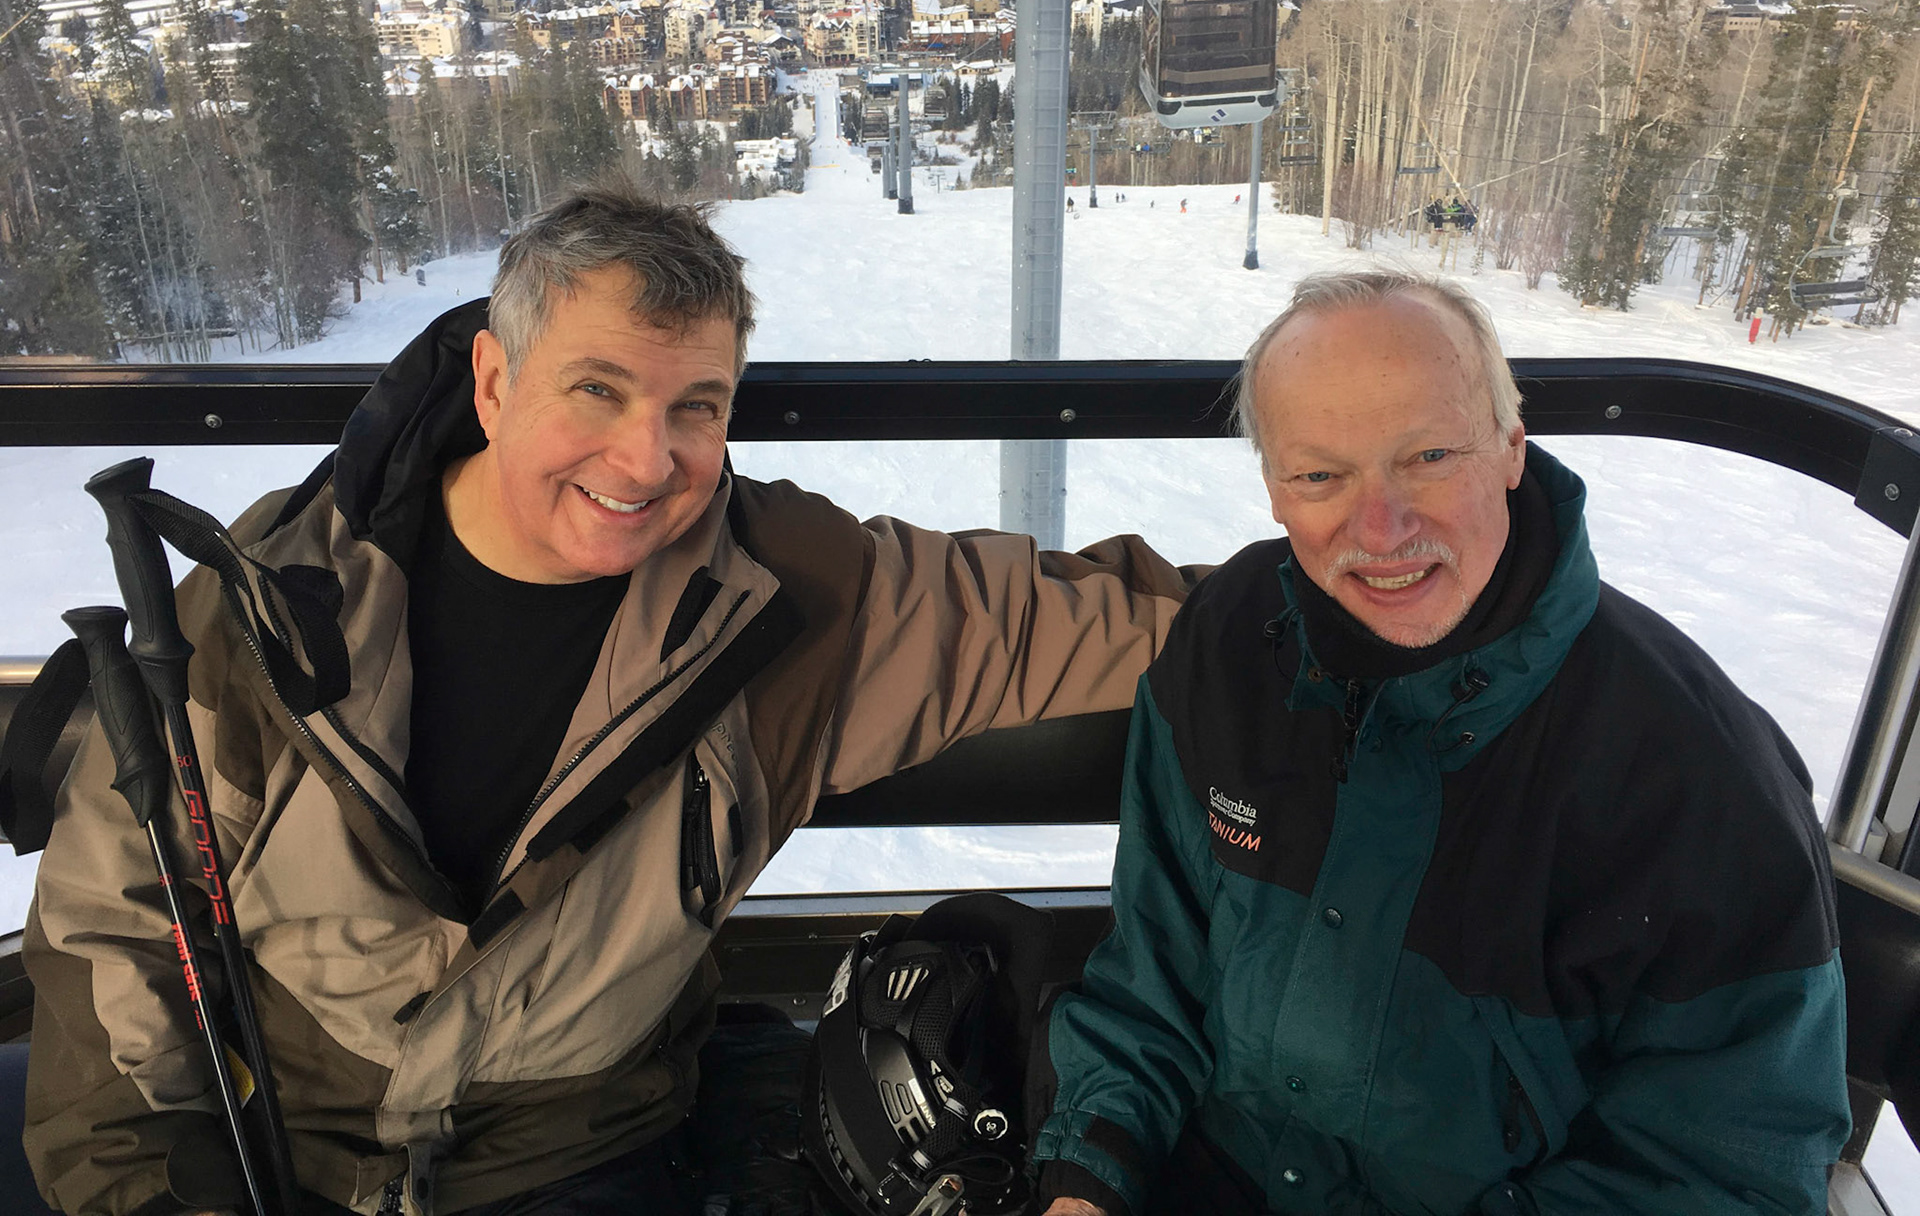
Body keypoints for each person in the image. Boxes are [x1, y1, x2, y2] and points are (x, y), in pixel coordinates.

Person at [23, 183, 1199, 1216]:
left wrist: (1349, 586)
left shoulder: (794, 602)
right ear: (493, 380)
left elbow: (1084, 617)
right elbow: (116, 922)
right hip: (280, 1146)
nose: (649, 461)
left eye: (698, 405)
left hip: (572, 1156)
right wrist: (156, 1192)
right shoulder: (276, 596)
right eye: (597, 389)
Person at [1032, 269, 1850, 1216]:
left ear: (1510, 448)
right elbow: (1154, 976)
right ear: (1273, 491)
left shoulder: (1695, 777)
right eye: (1320, 475)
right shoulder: (1228, 643)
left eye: (1426, 457)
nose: (1381, 529)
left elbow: (1727, 1170)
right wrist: (1090, 1175)